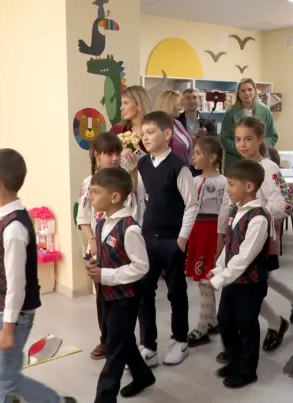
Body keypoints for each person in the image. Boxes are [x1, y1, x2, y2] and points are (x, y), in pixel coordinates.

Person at [0, 149, 76, 403]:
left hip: (9, 316)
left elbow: (16, 284)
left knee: (7, 379)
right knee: (2, 375)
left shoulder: (14, 228)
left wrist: (8, 328)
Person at [218, 116, 293, 356]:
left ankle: (276, 323)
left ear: (260, 139)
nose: (242, 144)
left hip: (259, 235)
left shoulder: (269, 168)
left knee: (249, 286)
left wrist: (256, 215)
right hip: (238, 235)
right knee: (253, 282)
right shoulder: (238, 167)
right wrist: (223, 230)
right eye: (238, 139)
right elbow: (228, 202)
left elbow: (286, 204)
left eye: (248, 139)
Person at [85, 167, 156, 402]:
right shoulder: (101, 223)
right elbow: (110, 254)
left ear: (114, 197)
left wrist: (105, 275)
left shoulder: (130, 228)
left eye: (96, 192)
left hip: (125, 298)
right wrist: (95, 263)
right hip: (105, 294)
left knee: (114, 350)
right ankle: (143, 376)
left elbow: (141, 267)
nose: (91, 196)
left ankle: (104, 398)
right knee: (120, 339)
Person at [135, 111, 199, 366]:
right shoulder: (142, 164)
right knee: (144, 291)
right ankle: (148, 346)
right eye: (143, 133)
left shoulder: (178, 167)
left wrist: (181, 240)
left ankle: (180, 341)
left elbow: (191, 205)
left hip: (173, 240)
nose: (145, 137)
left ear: (167, 134)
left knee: (176, 292)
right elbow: (142, 200)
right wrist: (140, 232)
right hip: (148, 238)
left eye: (150, 132)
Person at [76, 132, 139, 360]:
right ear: (96, 155)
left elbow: (136, 210)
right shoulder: (88, 183)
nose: (114, 158)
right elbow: (83, 217)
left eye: (116, 153)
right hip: (99, 247)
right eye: (108, 153)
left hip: (121, 246)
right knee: (102, 299)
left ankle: (123, 342)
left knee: (123, 298)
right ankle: (106, 339)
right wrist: (92, 240)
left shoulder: (126, 180)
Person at [207, 159, 270, 389]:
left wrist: (221, 278)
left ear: (249, 186)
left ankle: (247, 369)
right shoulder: (237, 210)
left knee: (247, 326)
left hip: (250, 284)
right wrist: (218, 269)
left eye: (232, 185)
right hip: (233, 281)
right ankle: (234, 359)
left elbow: (244, 256)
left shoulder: (259, 218)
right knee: (225, 321)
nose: (228, 190)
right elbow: (229, 247)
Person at [185, 136, 226, 347]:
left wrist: (221, 239)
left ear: (212, 157)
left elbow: (225, 212)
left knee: (206, 281)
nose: (193, 157)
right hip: (197, 232)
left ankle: (202, 327)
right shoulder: (193, 181)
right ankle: (212, 321)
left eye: (198, 153)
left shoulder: (222, 183)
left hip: (212, 233)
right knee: (202, 279)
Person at [221, 78, 278, 171]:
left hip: (260, 159)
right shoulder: (230, 112)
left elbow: (272, 136)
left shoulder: (265, 111)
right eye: (243, 90)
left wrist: (258, 147)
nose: (247, 93)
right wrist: (242, 149)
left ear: (255, 91)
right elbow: (224, 138)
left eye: (249, 89)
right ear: (238, 94)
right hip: (235, 160)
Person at [115, 85, 154, 172]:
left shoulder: (156, 129)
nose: (121, 108)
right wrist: (119, 153)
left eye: (126, 103)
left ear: (139, 105)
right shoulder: (118, 130)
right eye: (121, 103)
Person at [155, 90, 194, 168]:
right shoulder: (158, 126)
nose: (181, 108)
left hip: (184, 169)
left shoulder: (177, 123)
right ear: (169, 105)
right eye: (178, 104)